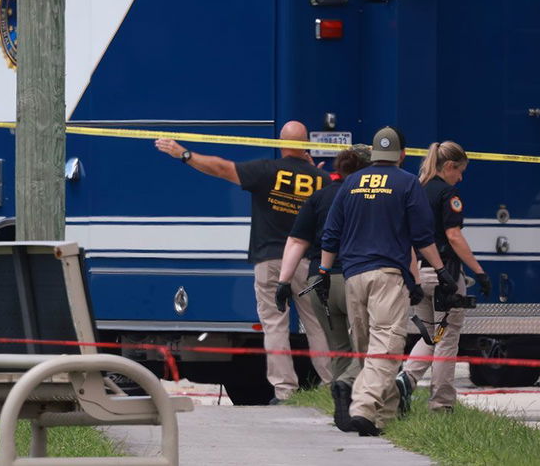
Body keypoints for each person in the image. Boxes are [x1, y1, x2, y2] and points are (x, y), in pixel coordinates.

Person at [155, 121, 334, 403]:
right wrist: (313, 170)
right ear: (308, 143)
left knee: (275, 325)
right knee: (316, 325)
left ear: (281, 143)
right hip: (304, 262)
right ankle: (332, 386)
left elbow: (221, 167)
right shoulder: (320, 179)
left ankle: (285, 391)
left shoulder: (267, 171)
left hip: (269, 260)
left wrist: (184, 154)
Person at [318, 126, 455, 436]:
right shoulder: (407, 183)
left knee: (369, 347)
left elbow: (331, 233)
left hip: (353, 276)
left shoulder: (350, 182)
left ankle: (384, 417)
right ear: (400, 155)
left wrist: (325, 273)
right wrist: (441, 270)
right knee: (386, 345)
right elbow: (422, 236)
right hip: (387, 277)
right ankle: (363, 407)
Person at [274, 144, 371, 428]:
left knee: (338, 347)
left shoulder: (318, 198)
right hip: (356, 278)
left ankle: (343, 408)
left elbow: (296, 241)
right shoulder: (367, 198)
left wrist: (283, 282)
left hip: (319, 282)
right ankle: (349, 390)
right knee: (370, 345)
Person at [396, 141, 491, 414]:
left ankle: (406, 379)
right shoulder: (448, 194)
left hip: (418, 274)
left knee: (431, 336)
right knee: (447, 338)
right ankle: (442, 404)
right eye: (459, 171)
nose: (460, 178)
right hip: (444, 275)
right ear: (449, 166)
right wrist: (479, 271)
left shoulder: (417, 189)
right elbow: (454, 236)